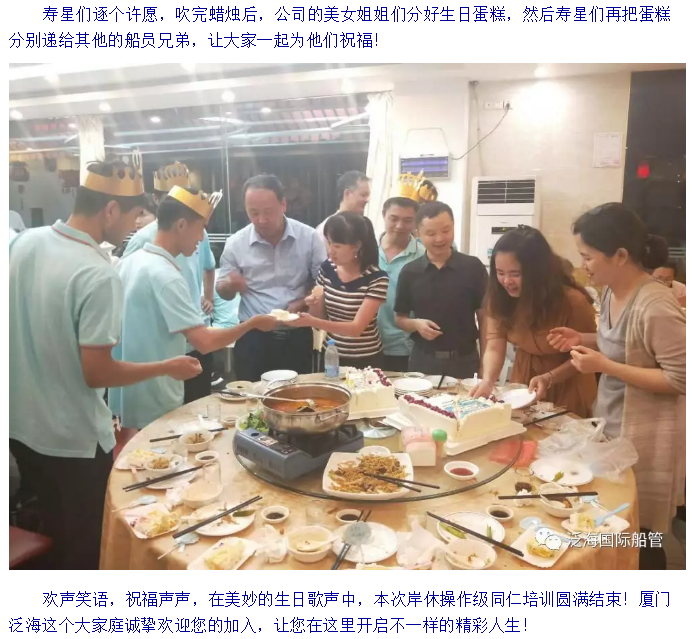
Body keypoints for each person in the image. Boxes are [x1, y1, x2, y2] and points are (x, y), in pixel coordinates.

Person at [8, 158, 202, 569]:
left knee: (49, 530)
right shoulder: (97, 272)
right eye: (133, 215)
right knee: (85, 549)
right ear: (111, 209)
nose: (135, 225)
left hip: (21, 428)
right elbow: (97, 372)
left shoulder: (23, 243)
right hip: (73, 438)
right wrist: (165, 366)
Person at [548, 202, 685, 569]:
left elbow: (680, 378)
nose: (584, 266)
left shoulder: (655, 303)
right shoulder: (610, 291)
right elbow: (623, 343)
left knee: (640, 528)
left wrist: (604, 366)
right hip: (613, 422)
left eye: (588, 257)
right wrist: (581, 338)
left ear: (621, 255)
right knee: (614, 517)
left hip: (647, 434)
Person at [110, 186, 278, 433]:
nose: (201, 238)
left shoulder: (130, 262)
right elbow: (204, 342)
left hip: (128, 391)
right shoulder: (165, 276)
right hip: (157, 396)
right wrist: (252, 324)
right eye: (200, 228)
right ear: (181, 225)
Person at [471, 226, 597, 417]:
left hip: (568, 383)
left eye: (515, 274)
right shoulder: (499, 297)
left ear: (538, 272)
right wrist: (488, 380)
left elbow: (588, 352)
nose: (506, 281)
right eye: (500, 273)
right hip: (524, 382)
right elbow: (495, 345)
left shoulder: (572, 302)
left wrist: (550, 377)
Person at [216, 174, 326, 381]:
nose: (261, 220)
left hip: (296, 334)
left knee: (297, 394)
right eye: (253, 213)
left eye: (268, 212)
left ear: (283, 205)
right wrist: (230, 285)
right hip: (253, 336)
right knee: (251, 395)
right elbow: (223, 290)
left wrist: (303, 302)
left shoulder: (308, 237)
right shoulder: (236, 243)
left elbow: (322, 283)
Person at [123, 162, 217, 402]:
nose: (200, 236)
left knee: (198, 409)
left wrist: (207, 296)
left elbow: (208, 267)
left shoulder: (198, 234)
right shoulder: (146, 247)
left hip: (192, 336)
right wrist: (253, 324)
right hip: (161, 351)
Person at [394, 201, 488, 378]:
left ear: (453, 226)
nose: (439, 239)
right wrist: (416, 324)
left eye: (446, 231)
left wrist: (485, 363)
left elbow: (485, 319)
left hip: (465, 361)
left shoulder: (473, 267)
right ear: (418, 234)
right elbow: (400, 319)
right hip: (423, 361)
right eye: (431, 233)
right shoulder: (410, 272)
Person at [294, 212, 389, 369]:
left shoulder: (376, 278)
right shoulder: (327, 268)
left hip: (364, 358)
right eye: (329, 243)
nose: (331, 251)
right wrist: (313, 304)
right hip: (331, 352)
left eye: (337, 246)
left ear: (357, 246)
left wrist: (311, 321)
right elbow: (319, 319)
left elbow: (356, 329)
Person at [377, 194, 429, 371]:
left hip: (407, 345)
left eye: (407, 220)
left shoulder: (424, 256)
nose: (400, 226)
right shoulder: (366, 251)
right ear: (384, 215)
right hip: (368, 344)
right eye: (394, 218)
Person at [316, 170, 370, 236]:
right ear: (347, 193)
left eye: (367, 195)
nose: (367, 200)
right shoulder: (326, 228)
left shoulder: (366, 226)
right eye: (363, 195)